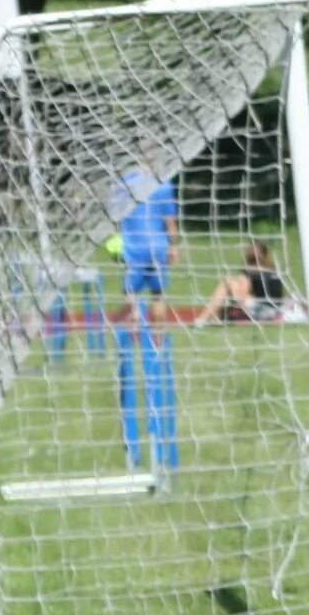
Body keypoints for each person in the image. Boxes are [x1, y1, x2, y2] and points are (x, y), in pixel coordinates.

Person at [114, 166, 180, 469]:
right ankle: (159, 342)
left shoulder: (123, 183)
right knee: (159, 298)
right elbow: (170, 221)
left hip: (134, 249)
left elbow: (115, 219)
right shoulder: (163, 181)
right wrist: (174, 245)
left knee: (131, 299)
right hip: (157, 248)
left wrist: (117, 245)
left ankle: (134, 338)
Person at [199, 236, 291, 323]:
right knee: (230, 288)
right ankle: (216, 317)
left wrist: (234, 289)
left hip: (264, 312)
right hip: (276, 310)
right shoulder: (272, 267)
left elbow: (243, 293)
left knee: (228, 284)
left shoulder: (251, 270)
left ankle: (202, 320)